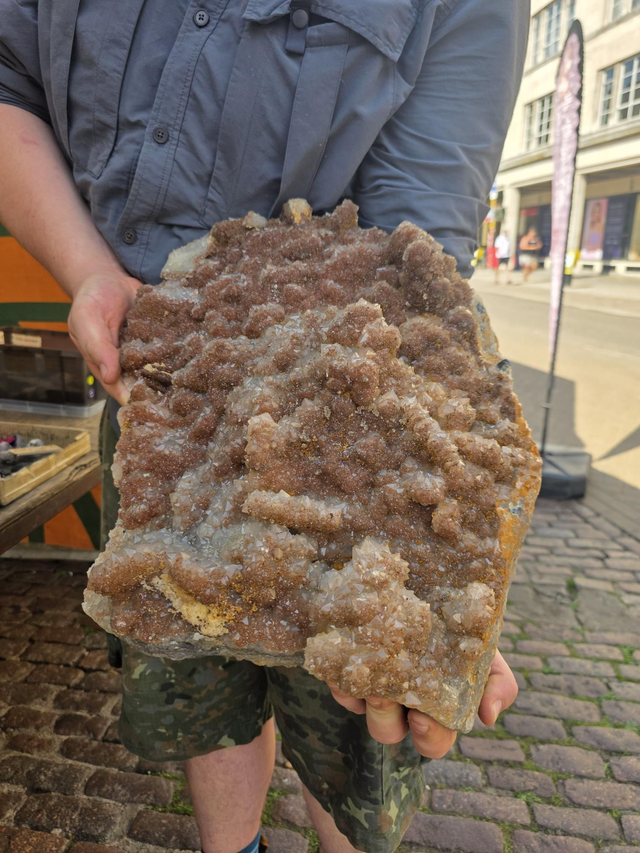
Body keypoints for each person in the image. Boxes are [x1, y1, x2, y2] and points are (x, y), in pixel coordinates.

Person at [0, 2, 528, 851]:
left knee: (359, 708)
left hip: (342, 398)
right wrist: (90, 271)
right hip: (155, 389)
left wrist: (421, 545)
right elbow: (8, 77)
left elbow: (415, 233)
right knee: (198, 680)